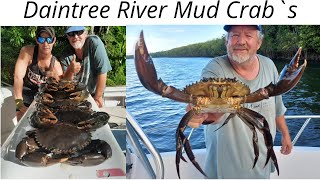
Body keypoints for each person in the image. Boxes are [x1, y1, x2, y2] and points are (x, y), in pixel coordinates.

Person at [186, 25, 293, 178]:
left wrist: (285, 134)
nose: (241, 41)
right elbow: (212, 111)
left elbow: (277, 107)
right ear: (226, 42)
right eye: (234, 35)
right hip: (225, 168)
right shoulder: (215, 68)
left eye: (248, 35)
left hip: (262, 161)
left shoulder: (269, 65)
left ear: (259, 43)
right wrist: (203, 115)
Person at [14, 26, 63, 121]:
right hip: (27, 90)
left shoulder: (56, 65)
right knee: (20, 115)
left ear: (54, 40)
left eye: (49, 39)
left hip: (45, 95)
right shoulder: (27, 52)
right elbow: (17, 77)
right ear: (37, 40)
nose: (45, 44)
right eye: (41, 39)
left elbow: (62, 89)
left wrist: (55, 77)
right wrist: (20, 105)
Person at [59, 26, 112, 108]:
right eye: (71, 34)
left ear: (86, 33)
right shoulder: (64, 55)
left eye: (79, 32)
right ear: (67, 36)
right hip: (74, 98)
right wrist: (70, 71)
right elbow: (65, 84)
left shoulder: (94, 43)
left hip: (93, 95)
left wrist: (97, 98)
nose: (75, 37)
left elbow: (102, 72)